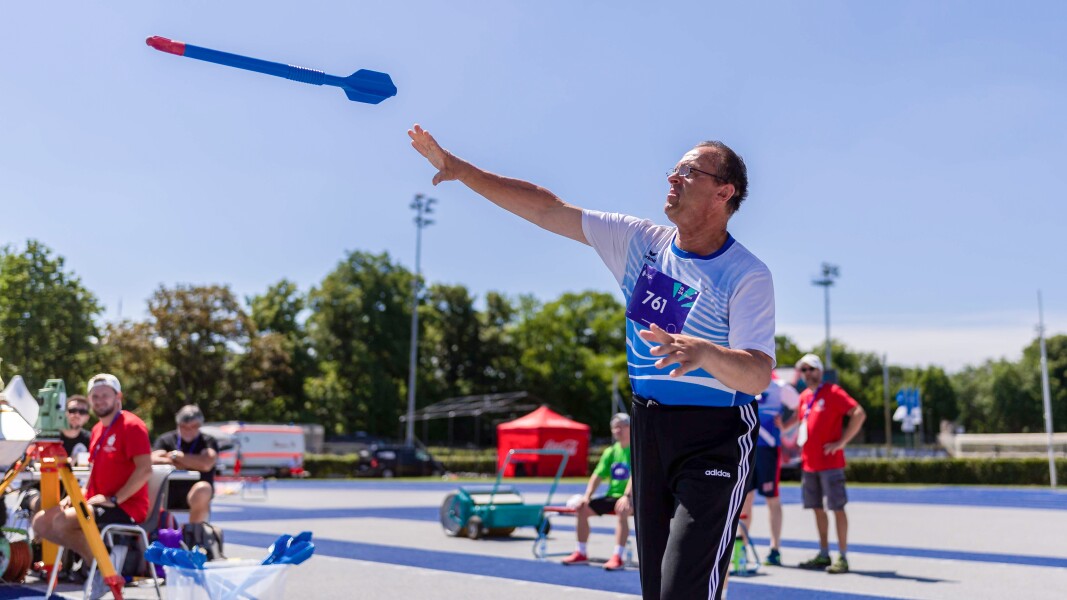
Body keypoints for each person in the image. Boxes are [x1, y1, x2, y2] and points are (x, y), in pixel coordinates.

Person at [409, 125, 775, 600]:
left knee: (683, 588)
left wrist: (703, 351)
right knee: (657, 589)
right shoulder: (641, 243)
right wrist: (461, 171)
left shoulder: (746, 273)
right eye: (674, 169)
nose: (673, 178)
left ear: (724, 191)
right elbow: (547, 208)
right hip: (649, 429)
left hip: (715, 437)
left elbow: (758, 373)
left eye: (688, 171)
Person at [32, 373, 152, 565]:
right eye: (95, 396)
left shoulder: (132, 425)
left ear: (118, 397)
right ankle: (99, 564)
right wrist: (78, 495)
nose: (99, 401)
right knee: (41, 522)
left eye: (105, 395)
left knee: (62, 522)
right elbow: (95, 472)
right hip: (96, 503)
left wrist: (115, 499)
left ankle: (103, 569)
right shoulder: (97, 429)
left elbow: (145, 470)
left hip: (125, 507)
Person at [791, 354, 866, 574]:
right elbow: (802, 425)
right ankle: (824, 554)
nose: (808, 373)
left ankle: (842, 556)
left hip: (830, 463)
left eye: (811, 369)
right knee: (816, 509)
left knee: (837, 508)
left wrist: (842, 442)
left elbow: (859, 413)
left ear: (820, 371)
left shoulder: (833, 393)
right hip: (809, 464)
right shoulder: (804, 396)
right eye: (804, 370)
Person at [738, 374, 799, 566]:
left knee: (772, 498)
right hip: (746, 448)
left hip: (769, 450)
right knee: (745, 499)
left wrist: (786, 427)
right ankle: (741, 549)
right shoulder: (742, 379)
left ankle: (775, 549)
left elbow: (800, 408)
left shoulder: (780, 388)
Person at [562, 412, 633, 571]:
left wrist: (627, 496)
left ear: (630, 427)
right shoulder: (611, 451)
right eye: (615, 428)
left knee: (622, 510)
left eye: (621, 427)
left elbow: (636, 474)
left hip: (634, 497)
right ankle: (581, 552)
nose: (617, 431)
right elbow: (598, 475)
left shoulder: (637, 448)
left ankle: (617, 556)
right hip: (613, 496)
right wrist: (587, 497)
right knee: (582, 509)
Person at [152, 405, 218, 524]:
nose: (188, 430)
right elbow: (152, 459)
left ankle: (194, 532)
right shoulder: (166, 440)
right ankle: (156, 531)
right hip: (168, 491)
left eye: (193, 427)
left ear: (199, 426)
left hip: (194, 493)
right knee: (152, 489)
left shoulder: (207, 441)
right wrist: (188, 462)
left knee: (203, 489)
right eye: (184, 427)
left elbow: (206, 464)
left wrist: (178, 456)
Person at [61, 394, 92, 461]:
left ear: (87, 418)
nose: (77, 415)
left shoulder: (92, 439)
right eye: (72, 410)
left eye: (82, 412)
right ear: (64, 413)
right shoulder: (50, 437)